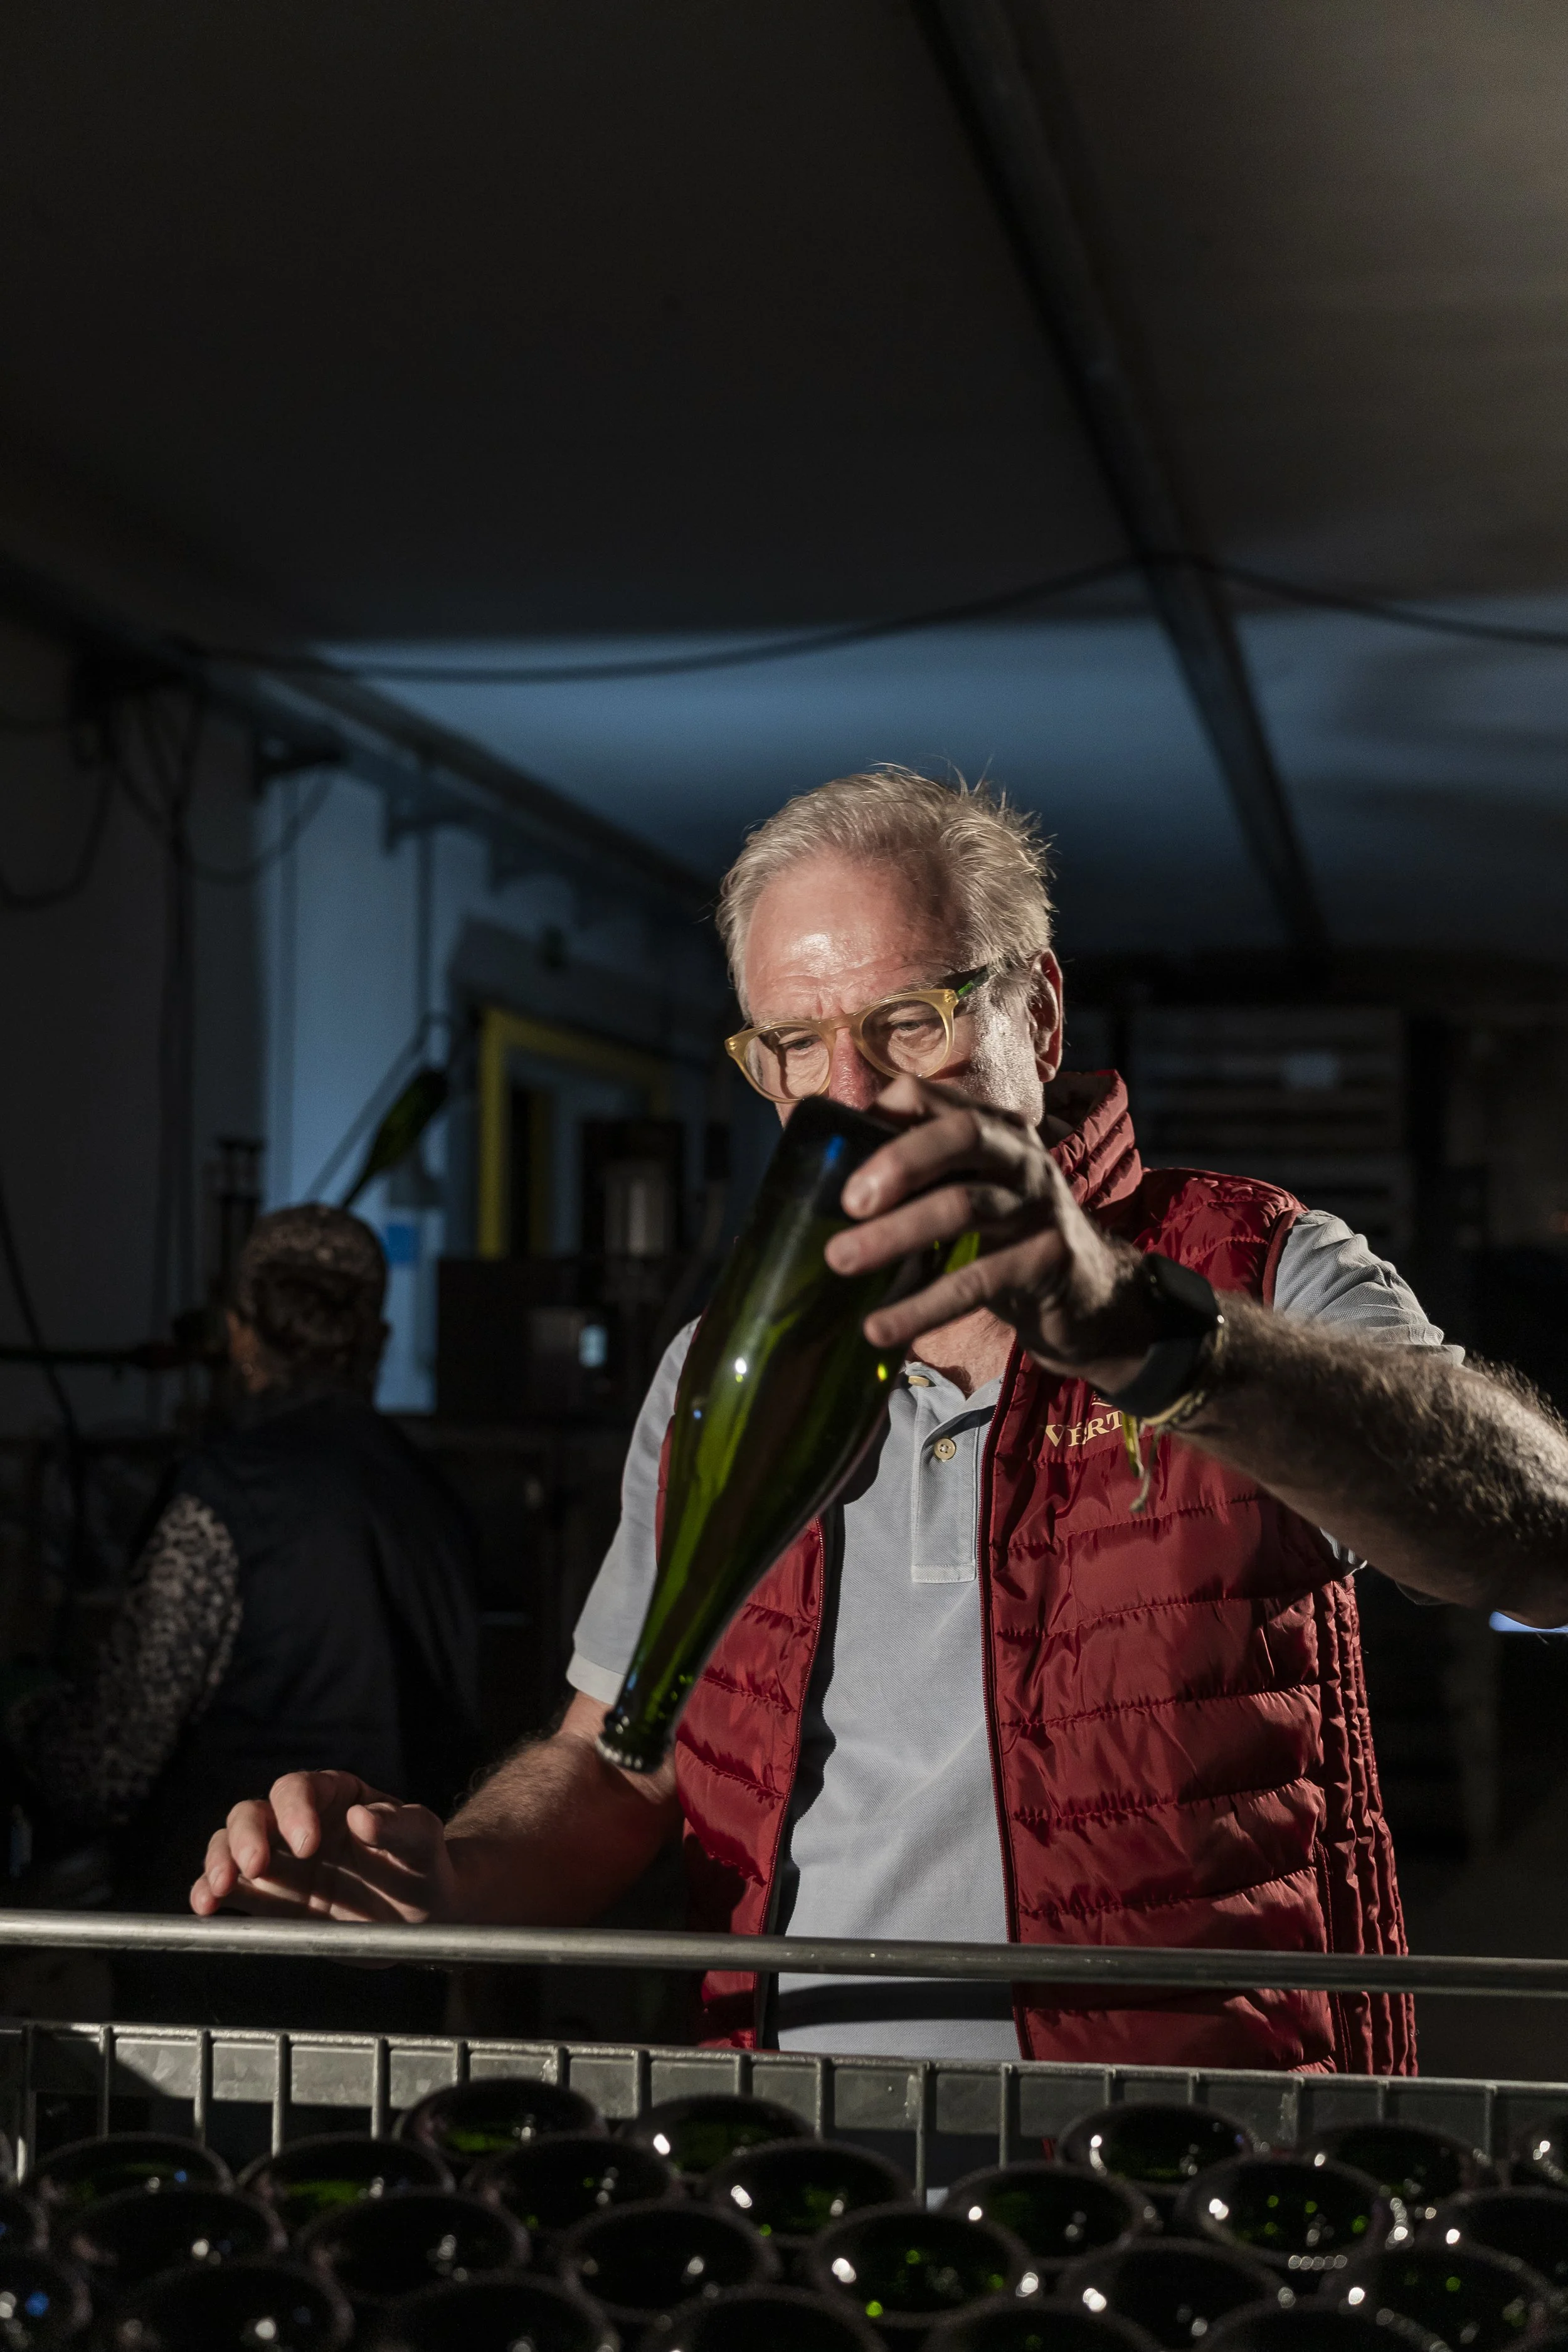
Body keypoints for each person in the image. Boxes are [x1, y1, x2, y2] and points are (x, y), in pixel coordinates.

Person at [192, 770, 1568, 2072]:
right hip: (804, 2148)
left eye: (912, 1021)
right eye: (793, 1045)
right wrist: (448, 1873)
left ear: (1038, 1010)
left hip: (1186, 2148)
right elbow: (614, 1755)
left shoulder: (1251, 1271)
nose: (852, 1098)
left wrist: (1143, 1334)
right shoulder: (708, 1368)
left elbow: (1538, 1544)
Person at [15, 1204, 482, 2023]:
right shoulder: (434, 1498)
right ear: (372, 1336)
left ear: (240, 1333)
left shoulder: (222, 1499)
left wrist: (25, 1716)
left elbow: (106, 1763)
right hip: (398, 1976)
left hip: (227, 1979)